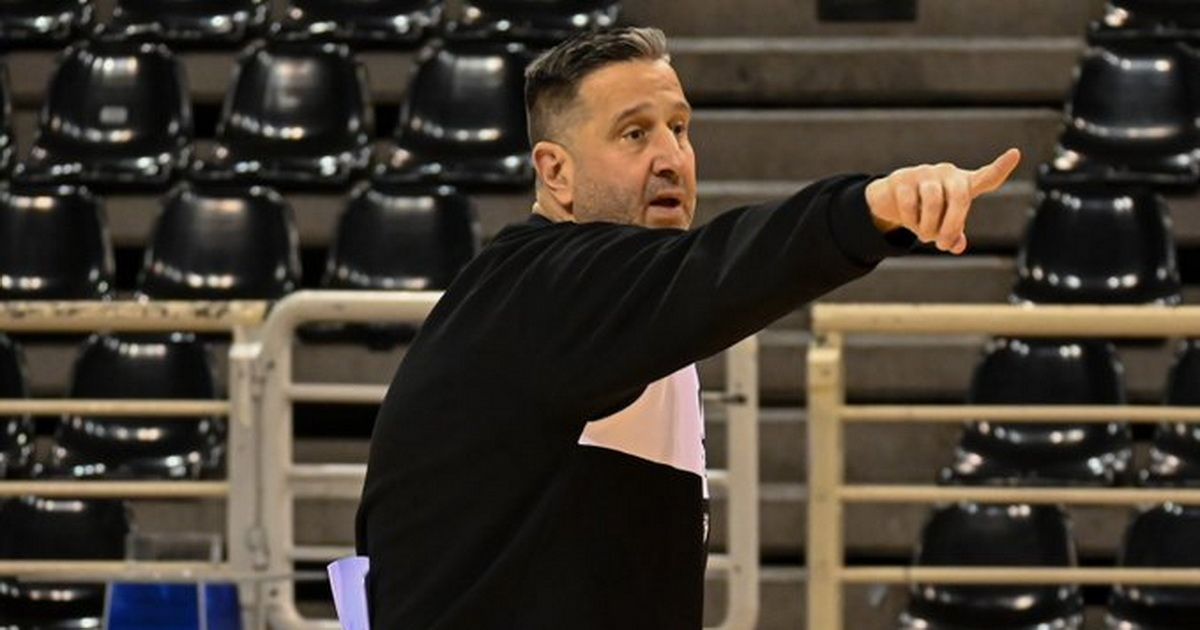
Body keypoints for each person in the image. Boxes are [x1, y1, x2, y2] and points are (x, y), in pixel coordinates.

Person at [356, 26, 1020, 630]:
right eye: (634, 134)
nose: (672, 157)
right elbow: (731, 263)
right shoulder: (549, 291)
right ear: (555, 172)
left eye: (679, 127)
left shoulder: (616, 307)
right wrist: (871, 208)